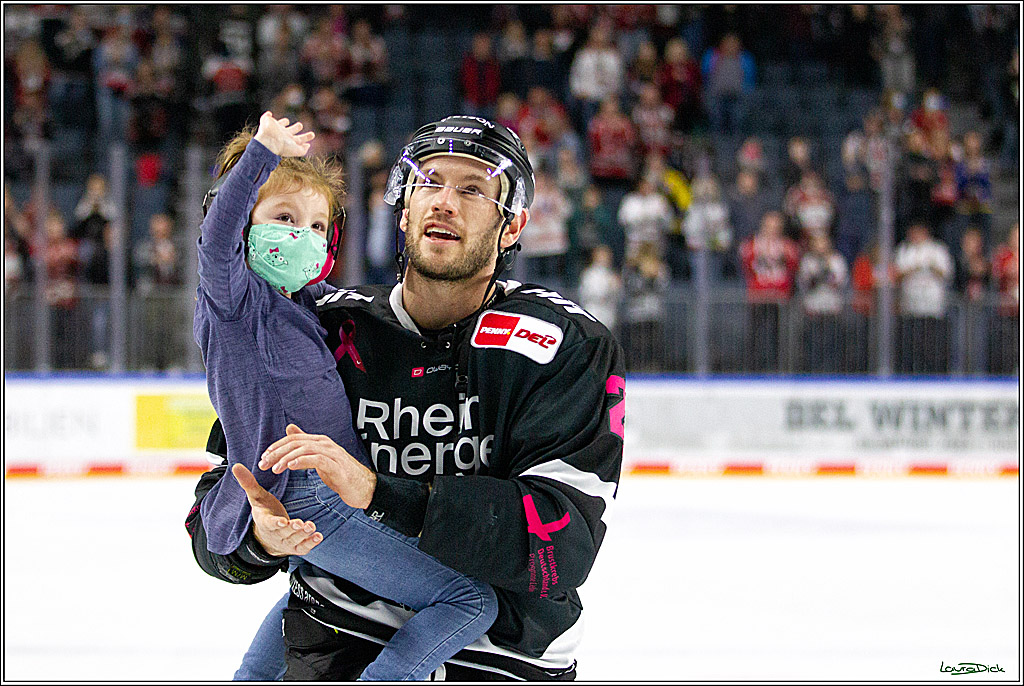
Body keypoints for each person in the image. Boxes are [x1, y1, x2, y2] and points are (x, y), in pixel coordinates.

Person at [185, 115, 625, 681]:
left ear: (512, 226)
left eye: (473, 189)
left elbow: (560, 546)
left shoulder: (565, 344)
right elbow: (215, 509)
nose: (444, 202)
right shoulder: (324, 323)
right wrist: (258, 542)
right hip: (333, 635)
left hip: (501, 658)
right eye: (429, 183)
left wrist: (379, 493)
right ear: (402, 208)